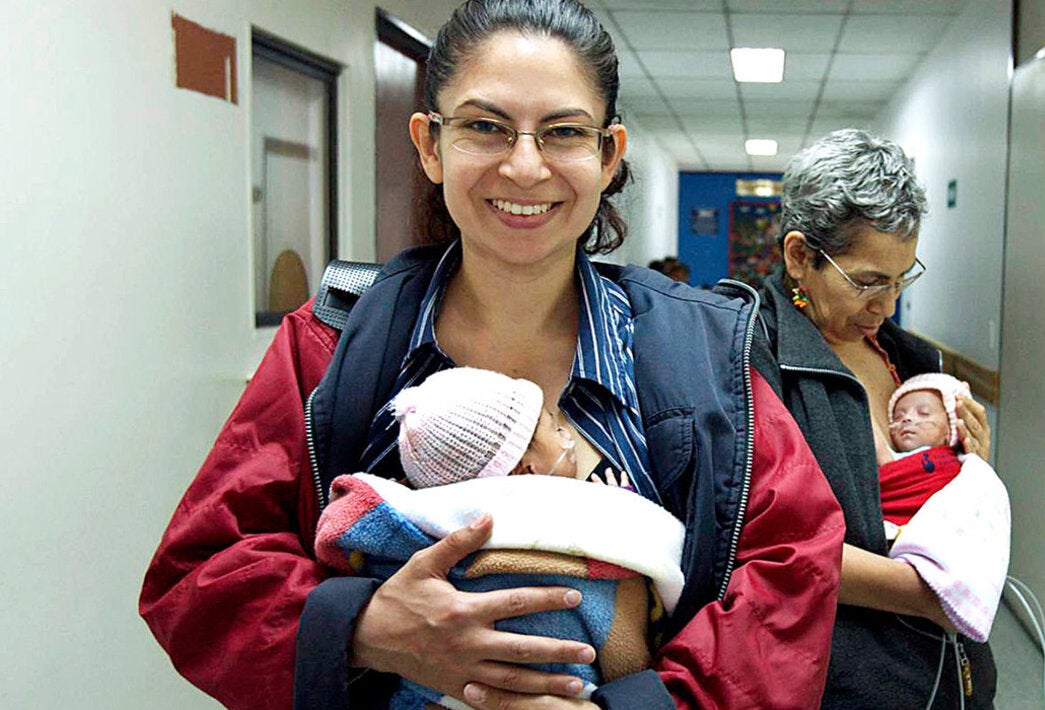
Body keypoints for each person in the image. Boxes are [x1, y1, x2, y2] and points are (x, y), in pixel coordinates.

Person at [139, 2, 845, 709]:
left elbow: (792, 571)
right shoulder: (332, 344)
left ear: (608, 155)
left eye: (564, 132)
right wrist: (364, 627)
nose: (525, 165)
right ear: (430, 144)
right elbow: (201, 574)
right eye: (485, 126)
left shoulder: (703, 349)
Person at [755, 128, 999, 708]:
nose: (887, 306)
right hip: (836, 680)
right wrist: (929, 593)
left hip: (944, 674)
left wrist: (971, 475)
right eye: (867, 281)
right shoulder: (749, 355)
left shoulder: (915, 363)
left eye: (902, 278)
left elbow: (934, 504)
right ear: (799, 256)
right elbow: (756, 541)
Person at [315, 367, 687, 708]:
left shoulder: (406, 522)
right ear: (527, 468)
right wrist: (618, 501)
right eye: (551, 428)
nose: (567, 433)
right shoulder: (571, 508)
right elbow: (648, 542)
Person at [880, 373, 1011, 644]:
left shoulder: (964, 470)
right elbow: (885, 481)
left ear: (950, 430)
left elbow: (979, 498)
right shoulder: (890, 458)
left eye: (923, 413)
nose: (907, 419)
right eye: (899, 415)